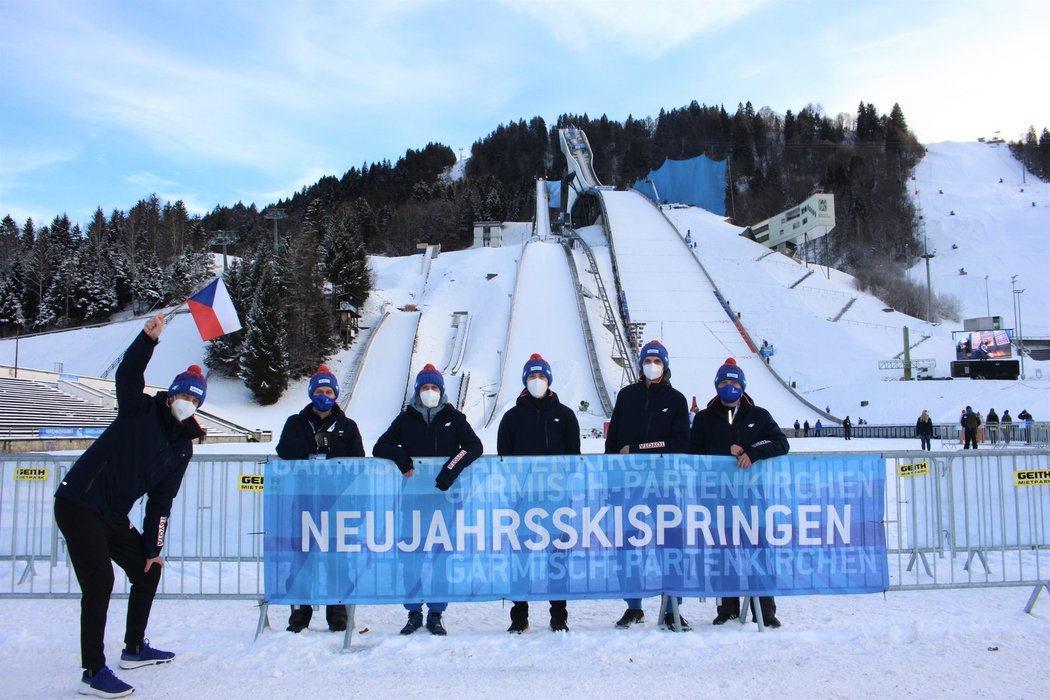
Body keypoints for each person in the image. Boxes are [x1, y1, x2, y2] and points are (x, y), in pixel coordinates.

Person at [53, 314, 203, 698]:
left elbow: (161, 500)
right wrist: (146, 340)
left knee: (147, 571)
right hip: (78, 502)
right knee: (100, 579)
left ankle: (134, 648)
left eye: (194, 398)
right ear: (170, 395)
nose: (186, 403)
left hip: (113, 516)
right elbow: (127, 376)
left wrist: (153, 549)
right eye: (182, 395)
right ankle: (93, 671)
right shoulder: (139, 410)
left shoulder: (181, 448)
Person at [373, 364, 483, 636]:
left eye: (434, 387)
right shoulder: (405, 418)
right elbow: (380, 446)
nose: (429, 392)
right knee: (411, 557)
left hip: (443, 500)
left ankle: (436, 612)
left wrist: (450, 469)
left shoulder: (454, 417)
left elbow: (474, 446)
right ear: (417, 391)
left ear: (442, 391)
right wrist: (401, 457)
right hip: (412, 501)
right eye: (425, 387)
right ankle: (413, 612)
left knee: (440, 557)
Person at [690, 357, 789, 628]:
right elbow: (694, 453)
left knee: (758, 550)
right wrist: (725, 452)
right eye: (723, 381)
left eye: (733, 381)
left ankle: (765, 610)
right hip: (719, 497)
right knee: (724, 551)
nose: (728, 386)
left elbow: (781, 443)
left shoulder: (759, 416)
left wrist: (754, 452)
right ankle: (727, 607)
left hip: (753, 497)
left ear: (742, 385)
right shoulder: (704, 418)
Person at [605, 340, 690, 630]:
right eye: (648, 360)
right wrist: (611, 480)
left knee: (670, 547)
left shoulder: (676, 400)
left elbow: (679, 443)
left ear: (665, 366)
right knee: (627, 548)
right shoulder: (626, 396)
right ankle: (633, 606)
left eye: (657, 360)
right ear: (641, 364)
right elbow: (613, 442)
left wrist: (640, 448)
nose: (652, 365)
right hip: (629, 487)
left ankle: (672, 608)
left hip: (665, 487)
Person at [276, 365, 365, 633]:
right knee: (302, 557)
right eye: (319, 391)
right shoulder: (296, 422)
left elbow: (358, 461)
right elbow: (284, 450)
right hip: (304, 501)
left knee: (337, 558)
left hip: (336, 502)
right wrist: (313, 443)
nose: (324, 396)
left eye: (328, 391)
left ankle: (337, 614)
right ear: (311, 393)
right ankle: (300, 614)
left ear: (336, 394)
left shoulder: (347, 426)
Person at [497, 354, 580, 633]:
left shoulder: (566, 416)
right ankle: (519, 616)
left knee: (557, 559)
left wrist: (559, 484)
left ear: (549, 380)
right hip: (522, 500)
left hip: (556, 501)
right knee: (520, 558)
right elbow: (504, 459)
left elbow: (574, 459)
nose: (537, 382)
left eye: (541, 377)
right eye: (532, 377)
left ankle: (559, 615)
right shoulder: (511, 417)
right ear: (524, 381)